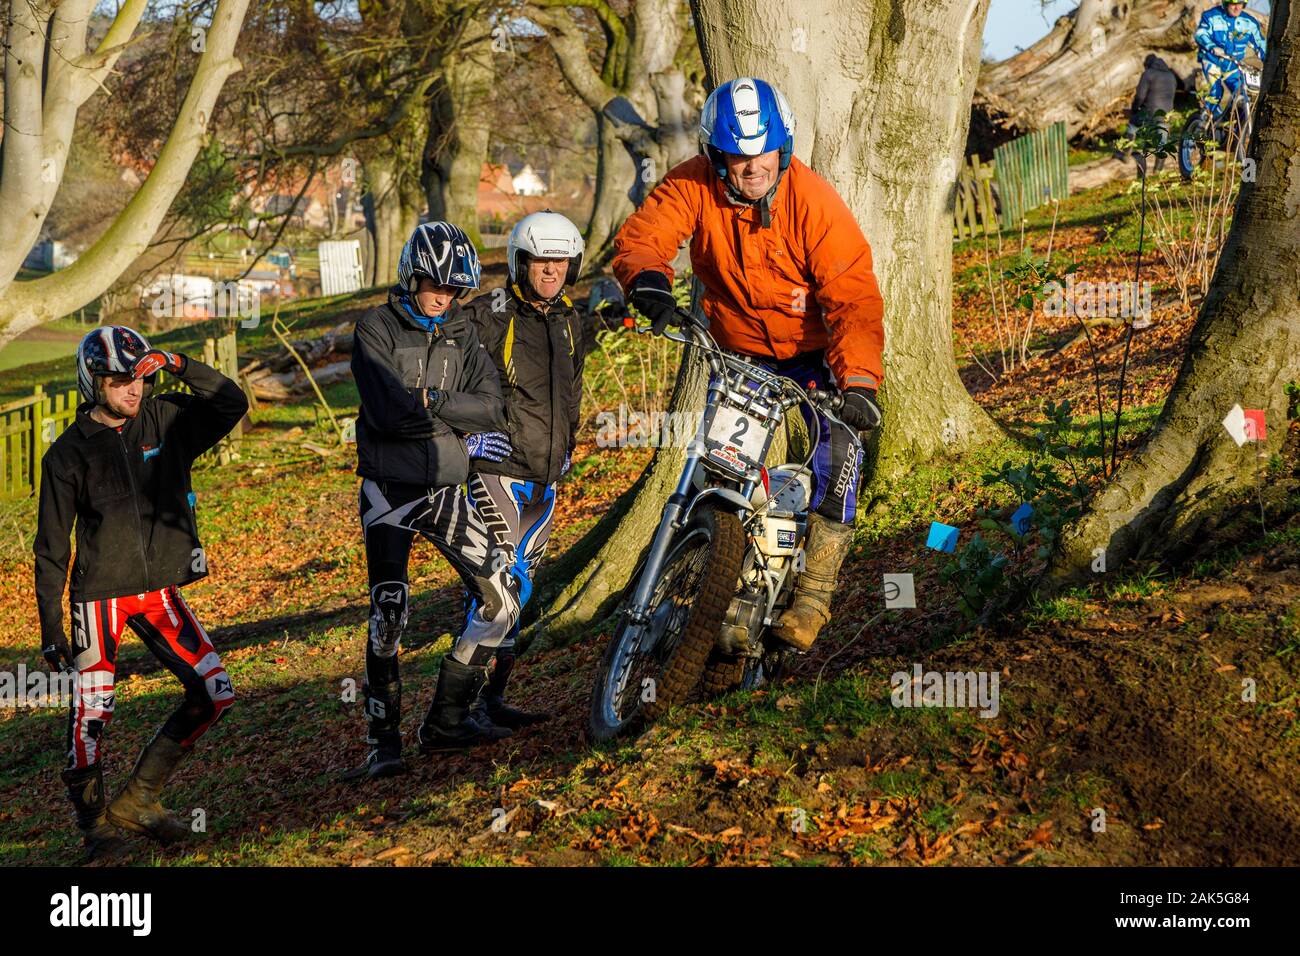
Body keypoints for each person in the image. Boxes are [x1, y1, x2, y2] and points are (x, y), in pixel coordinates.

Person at [612, 76, 885, 653]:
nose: (751, 166)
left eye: (762, 152)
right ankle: (722, 573)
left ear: (781, 149)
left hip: (813, 356)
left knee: (839, 454)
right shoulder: (692, 184)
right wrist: (649, 282)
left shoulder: (813, 201)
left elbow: (852, 295)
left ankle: (813, 593)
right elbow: (646, 235)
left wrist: (859, 381)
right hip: (734, 350)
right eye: (737, 156)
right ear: (716, 156)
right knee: (724, 466)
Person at [35, 326, 247, 860]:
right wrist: (51, 629)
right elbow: (51, 550)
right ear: (93, 382)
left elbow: (230, 401)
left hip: (159, 593)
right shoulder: (65, 455)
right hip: (99, 598)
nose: (133, 389)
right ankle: (95, 829)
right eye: (120, 380)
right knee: (91, 715)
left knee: (215, 691)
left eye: (138, 377)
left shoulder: (167, 419)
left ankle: (139, 800)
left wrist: (175, 362)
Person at [346, 220, 518, 781]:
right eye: (436, 285)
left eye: (455, 289)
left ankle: (446, 720)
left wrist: (431, 398)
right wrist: (446, 413)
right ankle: (383, 742)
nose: (445, 298)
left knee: (502, 599)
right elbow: (386, 413)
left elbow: (494, 408)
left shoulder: (464, 333)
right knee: (389, 614)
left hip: (445, 488)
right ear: (412, 276)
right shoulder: (374, 328)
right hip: (388, 493)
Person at [460, 210, 590, 730]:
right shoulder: (489, 313)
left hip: (545, 480)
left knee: (523, 590)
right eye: (541, 260)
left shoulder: (571, 320)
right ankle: (458, 710)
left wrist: (569, 447)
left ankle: (492, 701)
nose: (550, 270)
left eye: (560, 261)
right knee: (496, 588)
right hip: (497, 467)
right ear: (520, 261)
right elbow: (440, 349)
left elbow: (573, 392)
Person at [1194, 1, 1266, 127]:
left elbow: (1261, 44)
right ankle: (1203, 125)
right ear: (1226, 3)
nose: (1237, 7)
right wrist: (1212, 47)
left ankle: (1232, 126)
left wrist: (1269, 61)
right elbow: (1200, 34)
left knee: (1243, 92)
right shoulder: (1211, 16)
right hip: (1213, 61)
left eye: (1241, 3)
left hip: (1233, 66)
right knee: (1215, 92)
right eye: (1233, 4)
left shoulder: (1249, 22)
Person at [1126, 54, 1177, 176]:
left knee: (1132, 125)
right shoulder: (1171, 76)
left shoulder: (1148, 74)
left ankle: (1124, 154)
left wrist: (1134, 109)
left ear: (1148, 64)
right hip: (1166, 115)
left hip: (1149, 112)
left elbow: (1140, 96)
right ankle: (1157, 171)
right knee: (1162, 143)